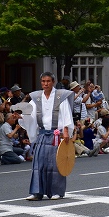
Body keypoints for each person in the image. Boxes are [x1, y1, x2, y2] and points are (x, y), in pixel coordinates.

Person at [17, 72, 75, 200]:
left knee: (55, 164)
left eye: (48, 81)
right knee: (39, 163)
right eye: (43, 81)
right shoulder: (36, 97)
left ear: (53, 82)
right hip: (43, 134)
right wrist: (22, 116)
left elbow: (66, 114)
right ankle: (37, 192)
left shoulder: (60, 96)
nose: (45, 84)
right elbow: (30, 115)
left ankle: (56, 191)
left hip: (57, 134)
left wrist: (66, 130)